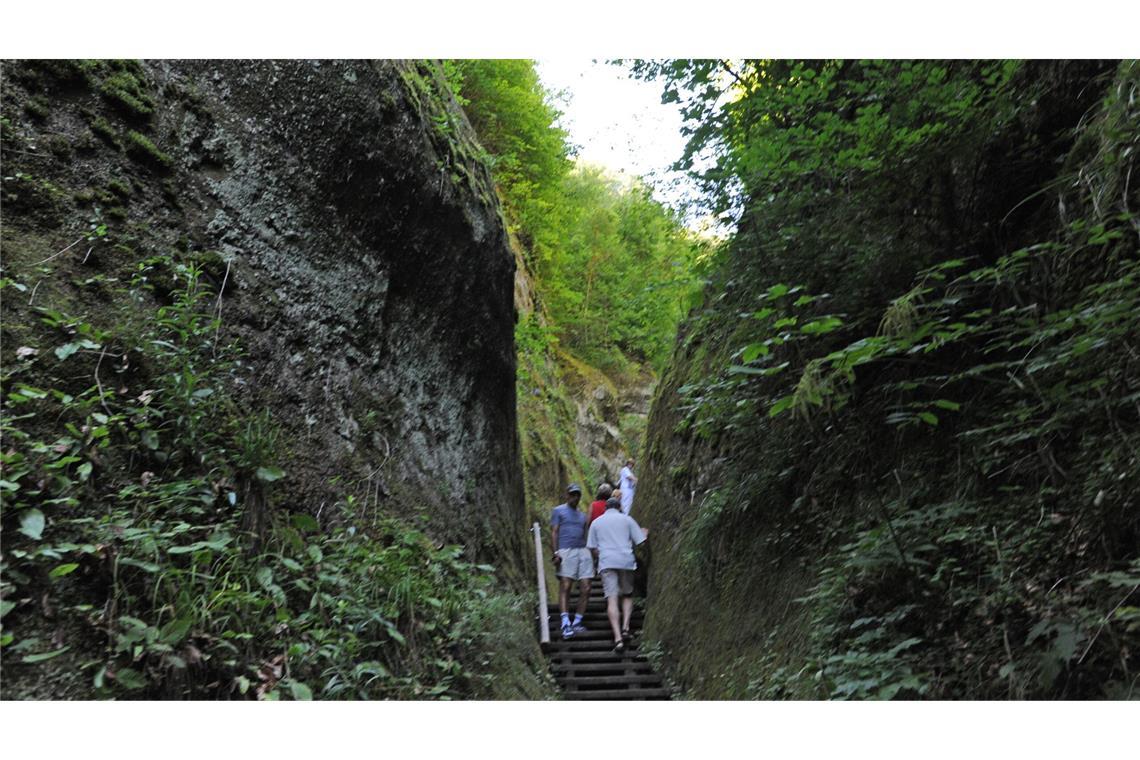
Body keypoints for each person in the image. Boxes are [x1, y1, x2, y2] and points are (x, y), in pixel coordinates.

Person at [586, 497, 648, 653]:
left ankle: (617, 638)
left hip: (607, 561)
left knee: (611, 599)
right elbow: (640, 541)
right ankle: (626, 627)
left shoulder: (597, 523)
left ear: (606, 508)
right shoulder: (627, 519)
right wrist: (644, 533)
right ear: (619, 507)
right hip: (626, 561)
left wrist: (598, 558)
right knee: (627, 595)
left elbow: (592, 548)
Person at [549, 483, 592, 639]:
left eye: (577, 495)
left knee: (586, 588)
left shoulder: (582, 516)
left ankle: (577, 622)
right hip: (565, 550)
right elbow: (554, 532)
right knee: (566, 585)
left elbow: (586, 534)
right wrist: (555, 552)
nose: (575, 497)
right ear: (567, 495)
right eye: (572, 494)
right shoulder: (558, 511)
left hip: (583, 551)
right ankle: (565, 622)